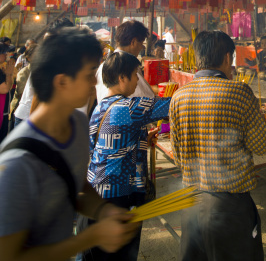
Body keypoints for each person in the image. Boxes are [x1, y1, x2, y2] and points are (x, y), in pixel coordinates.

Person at [0, 27, 138, 260]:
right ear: (62, 82)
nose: (95, 81)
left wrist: (103, 210)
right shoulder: (16, 164)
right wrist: (90, 238)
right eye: (89, 74)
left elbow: (75, 184)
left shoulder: (77, 122)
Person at [170, 30, 266, 261]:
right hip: (229, 208)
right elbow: (263, 145)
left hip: (191, 205)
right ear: (228, 58)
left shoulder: (179, 97)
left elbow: (178, 157)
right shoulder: (239, 92)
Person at [80, 51, 172, 261]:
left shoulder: (100, 108)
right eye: (136, 75)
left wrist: (139, 139)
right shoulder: (130, 107)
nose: (137, 81)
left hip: (94, 194)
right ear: (122, 78)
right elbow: (171, 105)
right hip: (117, 200)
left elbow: (102, 146)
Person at [95, 21, 152, 104]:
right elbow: (147, 99)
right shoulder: (127, 66)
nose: (142, 47)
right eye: (141, 43)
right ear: (134, 42)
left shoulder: (104, 65)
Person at [0, 42, 15, 142]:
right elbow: (4, 89)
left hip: (4, 112)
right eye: (4, 52)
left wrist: (8, 74)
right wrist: (9, 74)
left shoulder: (1, 69)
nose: (6, 55)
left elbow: (9, 86)